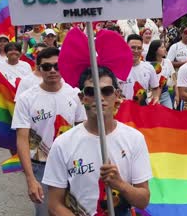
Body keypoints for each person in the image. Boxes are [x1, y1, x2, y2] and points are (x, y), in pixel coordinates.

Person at [43, 66, 151, 216]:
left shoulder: (134, 139)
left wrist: (120, 184)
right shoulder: (63, 143)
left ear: (117, 95)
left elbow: (143, 200)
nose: (99, 97)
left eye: (106, 91)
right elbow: (54, 205)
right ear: (82, 98)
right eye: (91, 92)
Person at [12, 47, 86, 216]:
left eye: (57, 66)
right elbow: (22, 139)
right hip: (41, 168)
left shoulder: (75, 94)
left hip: (72, 166)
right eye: (46, 67)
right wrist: (30, 179)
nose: (52, 70)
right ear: (38, 69)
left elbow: (83, 132)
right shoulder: (26, 99)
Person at [117, 34, 160, 105]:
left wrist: (156, 98)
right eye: (133, 47)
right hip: (124, 110)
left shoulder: (149, 67)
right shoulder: (117, 68)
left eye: (139, 48)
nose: (136, 51)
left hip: (142, 111)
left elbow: (155, 87)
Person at [145, 40, 178, 109]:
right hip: (151, 94)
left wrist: (177, 95)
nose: (165, 49)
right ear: (155, 50)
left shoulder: (167, 62)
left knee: (168, 115)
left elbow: (174, 79)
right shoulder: (147, 64)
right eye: (162, 47)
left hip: (165, 94)